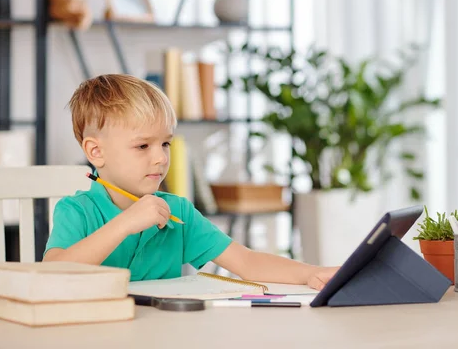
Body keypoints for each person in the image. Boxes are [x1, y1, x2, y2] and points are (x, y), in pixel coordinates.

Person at [43, 74, 338, 290]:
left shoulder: (178, 212)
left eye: (166, 144)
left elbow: (246, 262)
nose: (160, 158)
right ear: (96, 152)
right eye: (143, 146)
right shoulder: (76, 210)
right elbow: (53, 274)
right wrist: (125, 224)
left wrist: (311, 273)